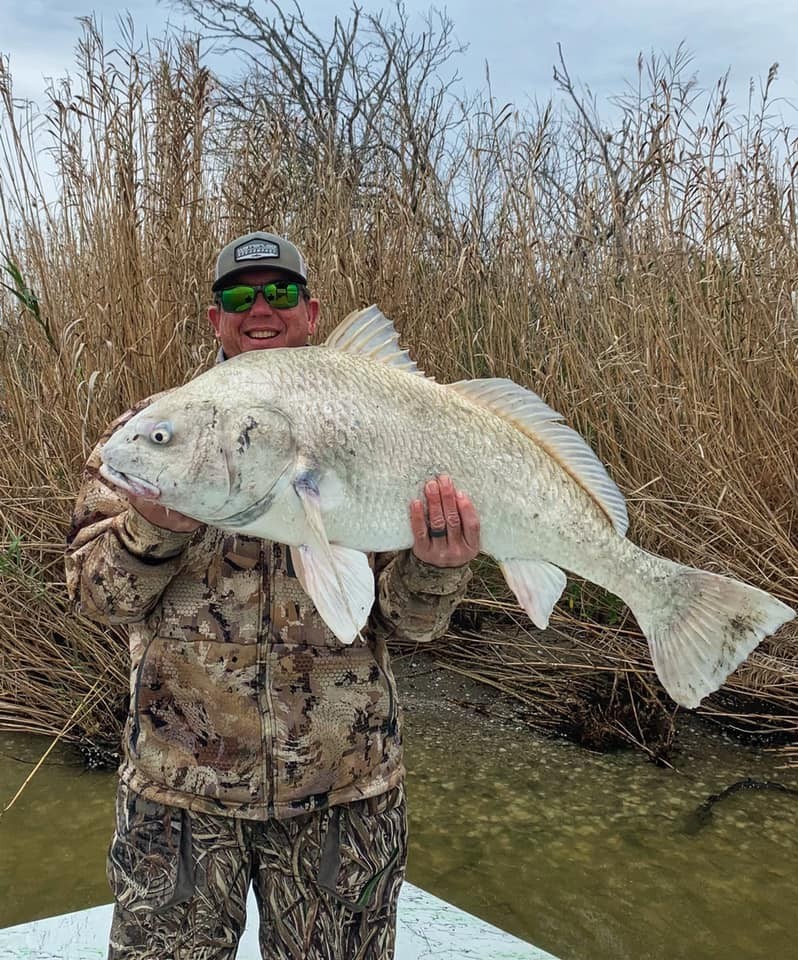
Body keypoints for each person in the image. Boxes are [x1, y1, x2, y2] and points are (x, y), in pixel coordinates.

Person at [65, 230, 481, 960]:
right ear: (213, 318)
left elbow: (407, 624)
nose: (261, 309)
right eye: (239, 295)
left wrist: (438, 566)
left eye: (281, 292)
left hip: (342, 799)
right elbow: (95, 597)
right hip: (180, 802)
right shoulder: (150, 433)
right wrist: (152, 526)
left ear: (312, 312)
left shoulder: (382, 422)